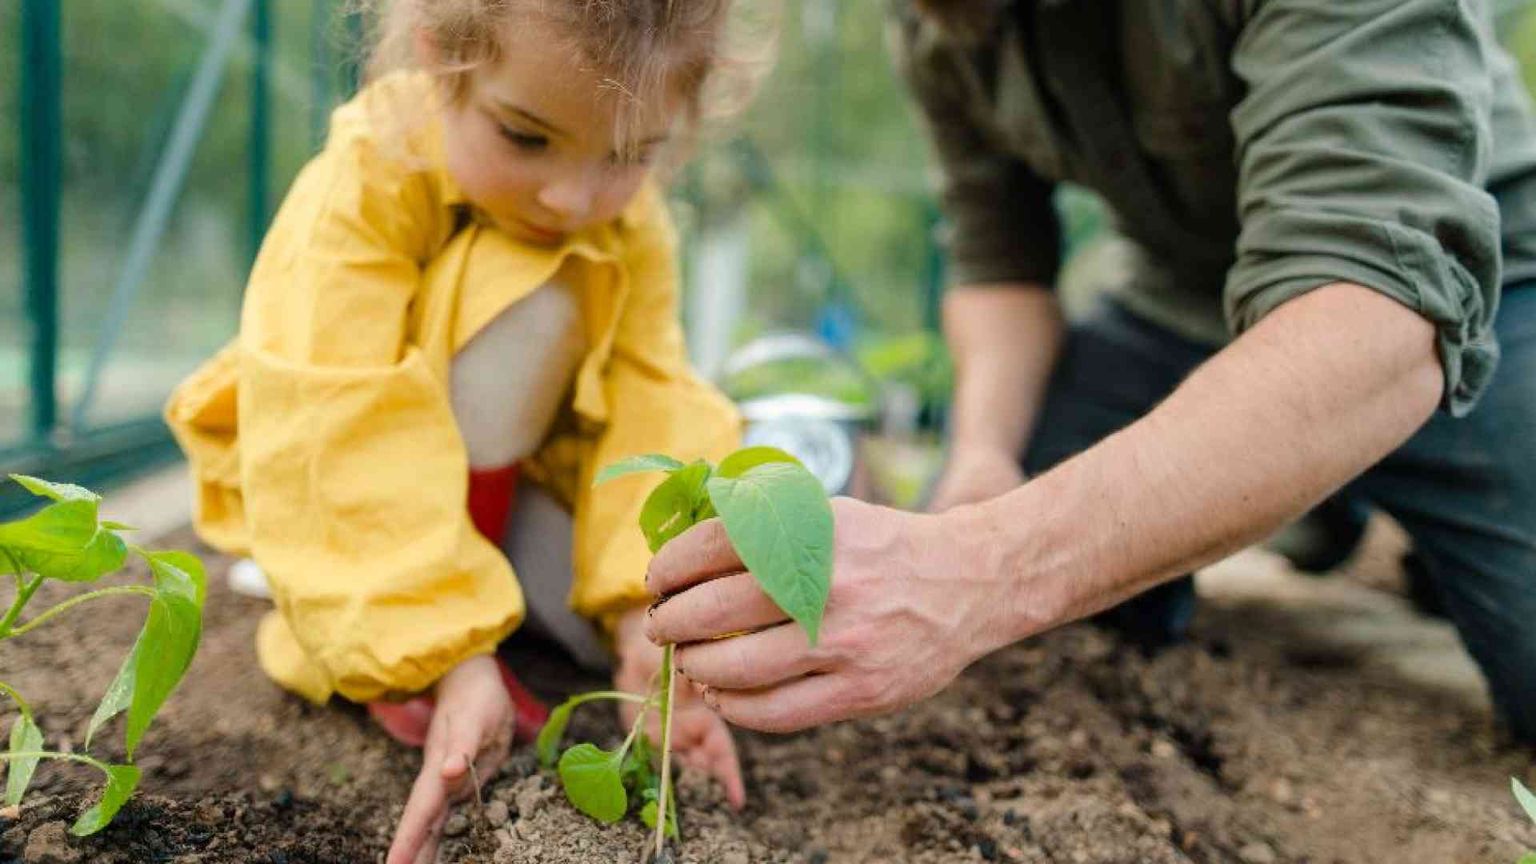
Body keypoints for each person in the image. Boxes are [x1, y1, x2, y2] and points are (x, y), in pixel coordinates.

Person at [644, 0, 1536, 749]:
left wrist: (983, 570)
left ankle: (1335, 486)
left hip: (1455, 297)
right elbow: (999, 261)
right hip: (1180, 302)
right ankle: (1313, 498)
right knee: (1027, 548)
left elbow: (1371, 317)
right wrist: (984, 463)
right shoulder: (936, 18)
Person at [165, 1, 759, 860]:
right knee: (528, 300)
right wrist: (448, 654)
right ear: (443, 59)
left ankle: (474, 605)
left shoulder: (634, 224)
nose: (573, 195)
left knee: (631, 616)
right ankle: (413, 617)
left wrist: (649, 624)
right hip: (358, 497)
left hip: (522, 497)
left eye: (630, 155)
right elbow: (335, 418)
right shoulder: (368, 172)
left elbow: (653, 407)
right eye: (526, 137)